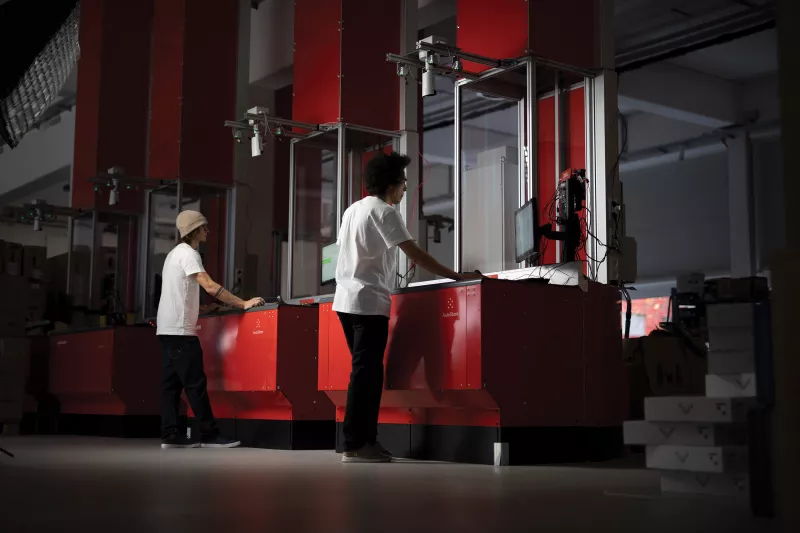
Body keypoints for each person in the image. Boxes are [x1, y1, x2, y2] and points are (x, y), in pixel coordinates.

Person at [333, 152, 482, 463]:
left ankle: (364, 441)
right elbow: (416, 254)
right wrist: (457, 276)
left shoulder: (352, 210)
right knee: (366, 376)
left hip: (346, 302)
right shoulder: (385, 212)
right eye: (404, 184)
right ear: (393, 184)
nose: (405, 190)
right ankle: (355, 445)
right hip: (368, 303)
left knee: (365, 375)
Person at [157, 210, 265, 449]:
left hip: (167, 330)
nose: (208, 230)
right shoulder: (189, 254)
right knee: (195, 384)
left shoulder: (174, 254)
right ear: (194, 230)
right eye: (204, 226)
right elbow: (209, 285)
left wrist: (204, 309)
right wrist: (242, 303)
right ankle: (209, 434)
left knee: (172, 387)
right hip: (181, 332)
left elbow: (181, 292)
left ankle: (170, 435)